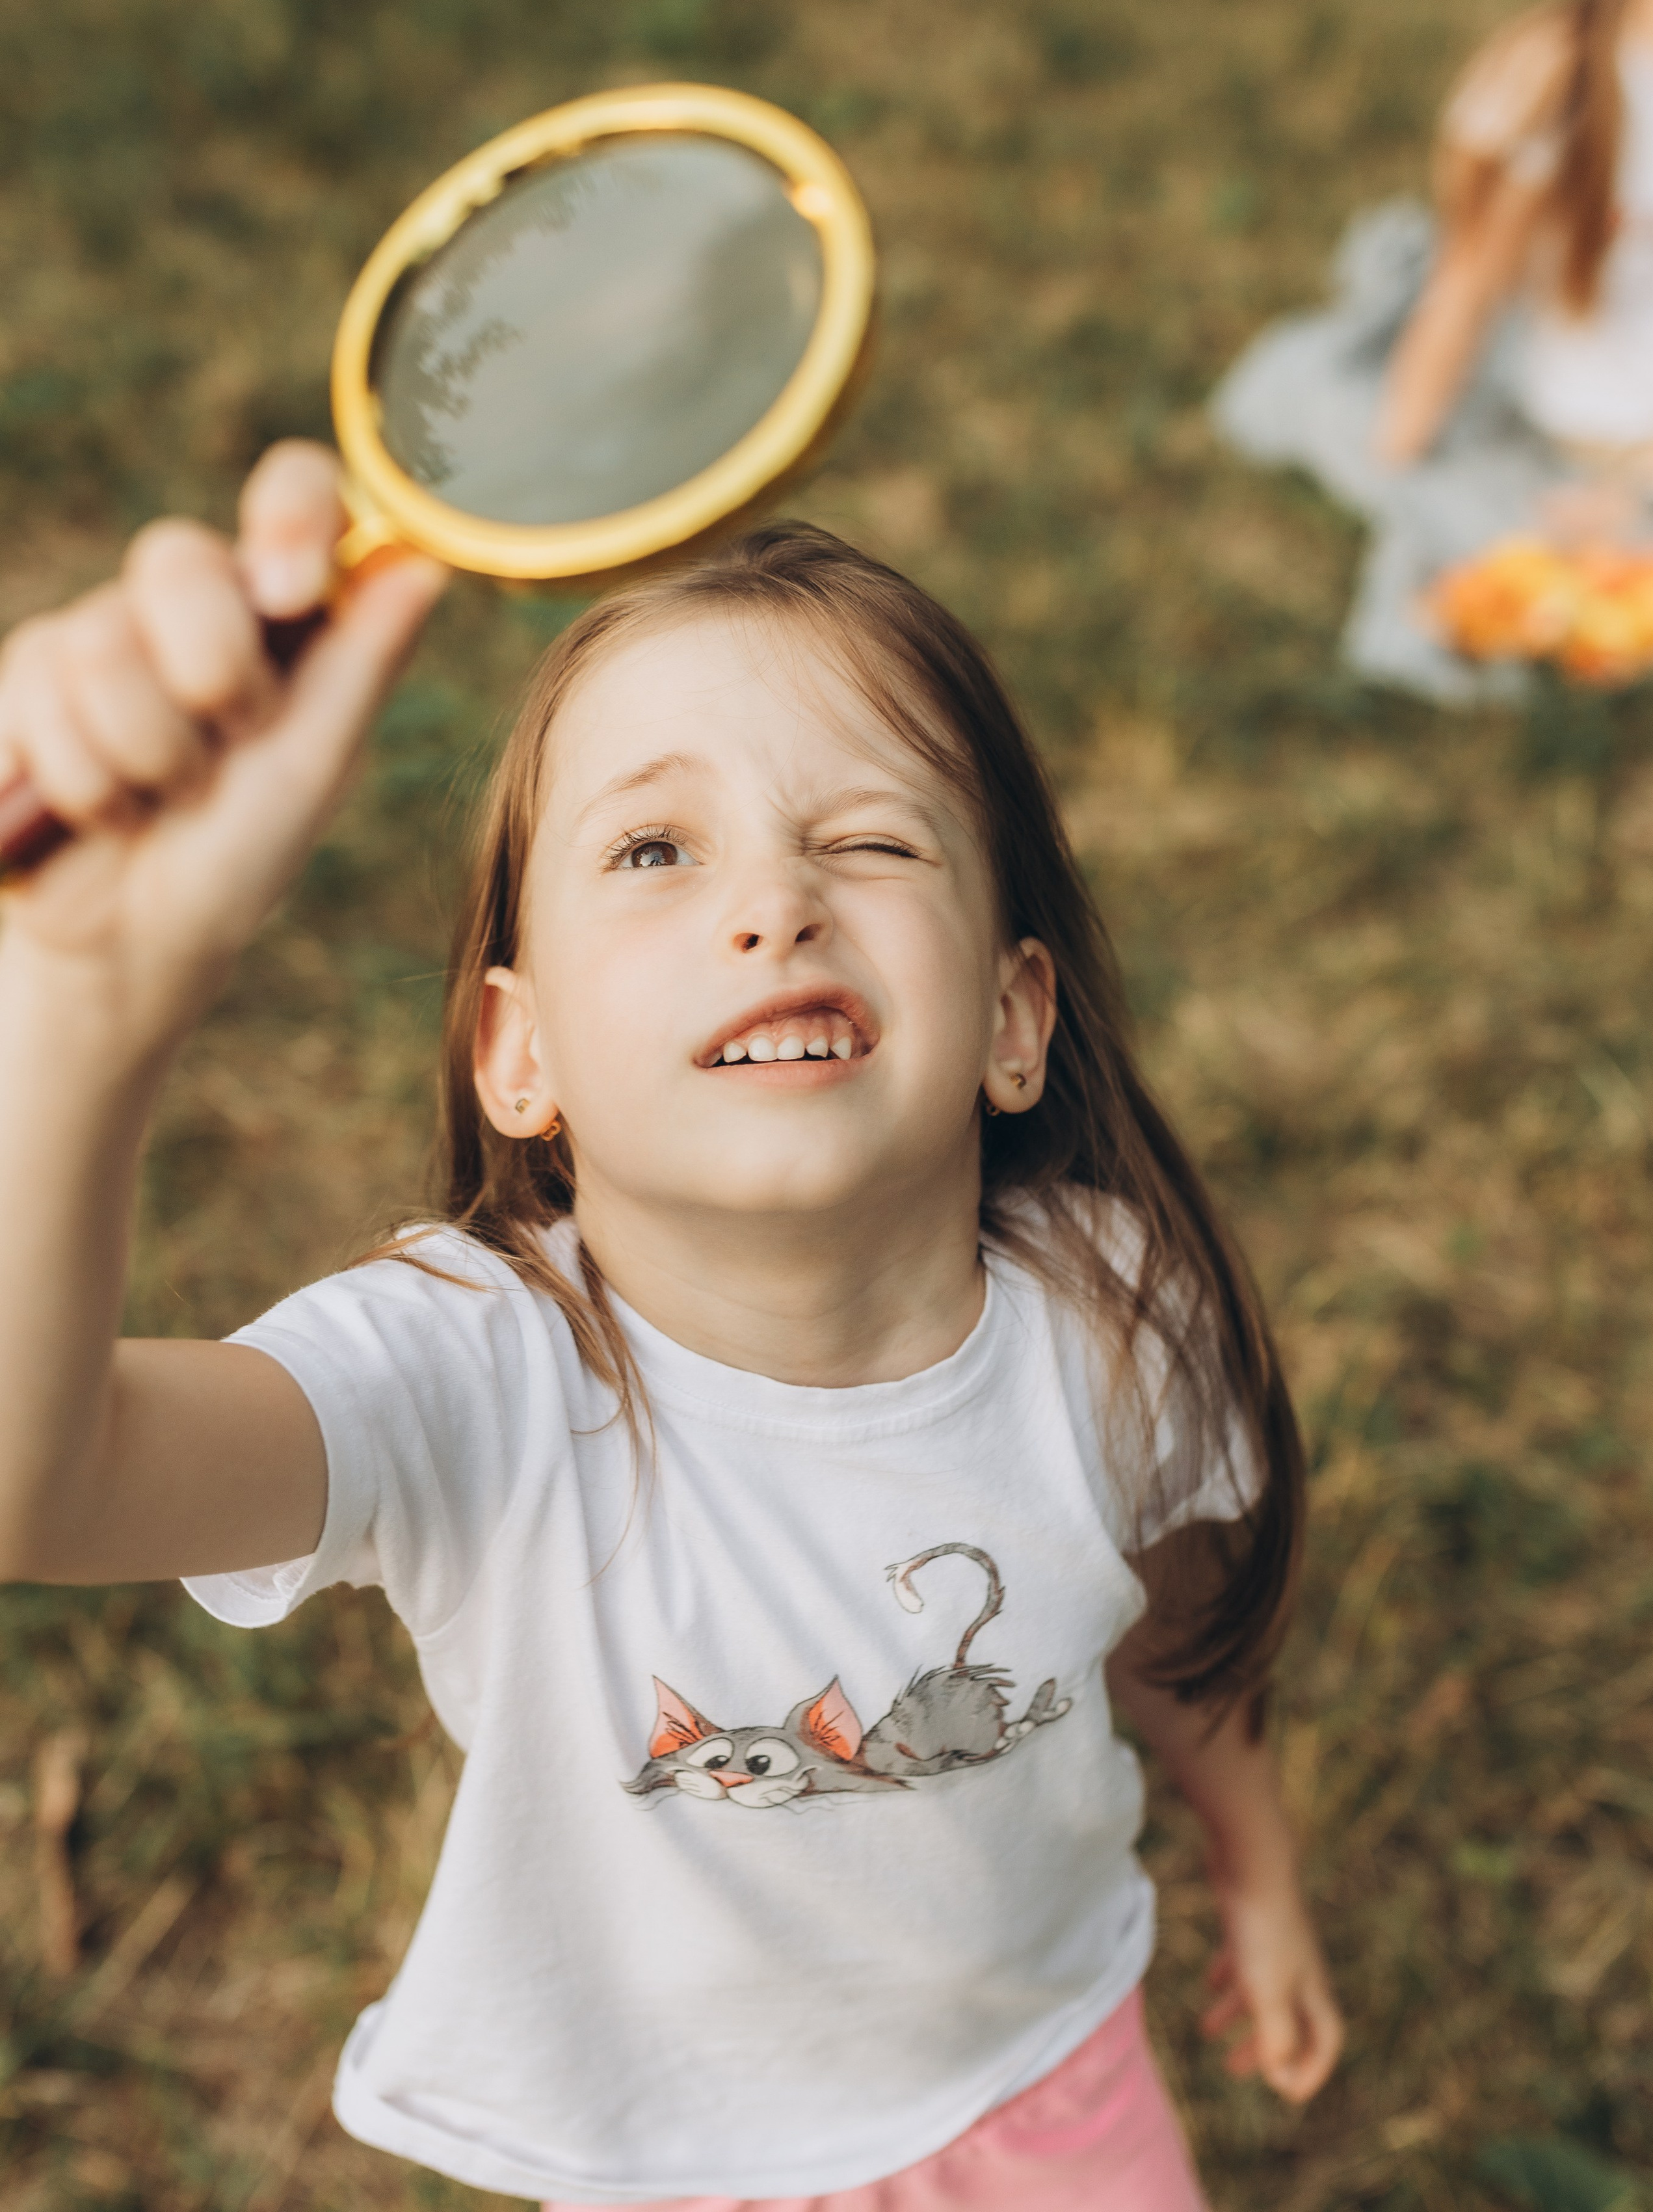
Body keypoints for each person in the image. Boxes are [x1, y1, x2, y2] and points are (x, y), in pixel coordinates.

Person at [0, 443, 1342, 2210]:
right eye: (653, 847)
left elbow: (1169, 1617)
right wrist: (79, 1014)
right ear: (520, 1053)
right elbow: (48, 1487)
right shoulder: (468, 1377)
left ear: (1018, 1019)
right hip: (666, 2162)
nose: (770, 902)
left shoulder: (1115, 1318)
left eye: (867, 838)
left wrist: (1254, 1860)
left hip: (1048, 2074)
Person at [1216, 0, 1653, 704]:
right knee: (1402, 455)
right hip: (1562, 421)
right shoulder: (1567, 76)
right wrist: (1402, 463)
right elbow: (1467, 282)